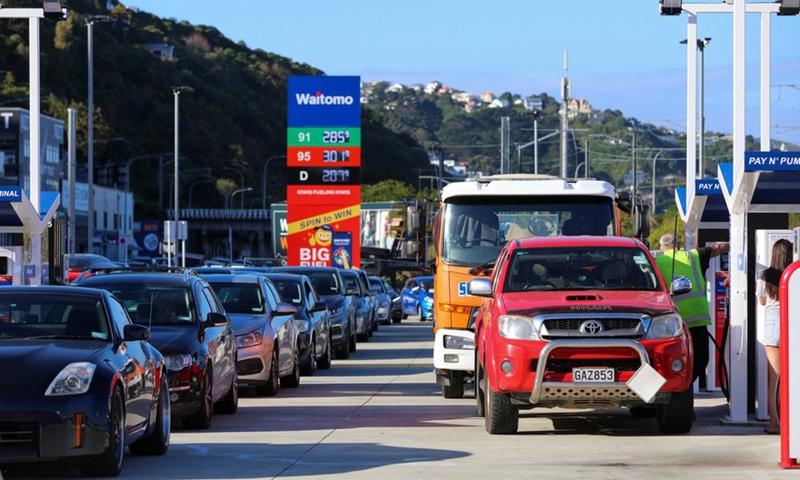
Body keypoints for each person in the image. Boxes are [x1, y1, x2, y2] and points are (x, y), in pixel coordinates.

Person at [655, 233, 729, 390]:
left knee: (672, 360)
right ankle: (684, 388)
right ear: (678, 245)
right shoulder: (693, 255)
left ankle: (676, 389)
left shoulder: (656, 263)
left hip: (670, 323)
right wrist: (735, 243)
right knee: (701, 359)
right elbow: (717, 248)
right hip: (696, 320)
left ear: (662, 248)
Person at [756, 238, 792, 435]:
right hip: (790, 322)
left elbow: (761, 301)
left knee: (774, 379)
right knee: (790, 377)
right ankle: (790, 422)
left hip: (771, 325)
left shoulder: (764, 275)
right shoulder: (794, 273)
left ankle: (773, 423)